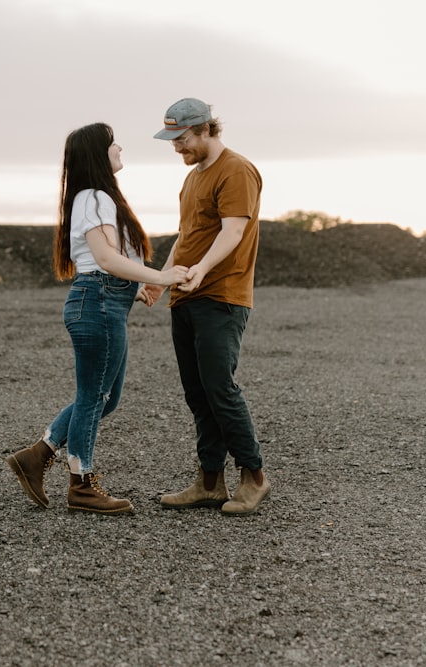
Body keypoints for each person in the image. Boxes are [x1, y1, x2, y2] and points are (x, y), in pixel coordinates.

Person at [5, 122, 184, 514]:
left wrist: (137, 286)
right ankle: (81, 485)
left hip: (105, 300)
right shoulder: (93, 197)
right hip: (98, 301)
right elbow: (103, 260)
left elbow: (108, 259)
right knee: (93, 397)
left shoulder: (97, 198)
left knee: (107, 397)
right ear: (96, 154)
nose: (119, 147)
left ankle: (38, 454)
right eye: (111, 142)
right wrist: (162, 276)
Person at [143, 98, 271, 516]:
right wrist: (161, 280)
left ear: (205, 130)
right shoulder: (193, 178)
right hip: (186, 295)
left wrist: (202, 269)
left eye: (181, 140)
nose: (177, 148)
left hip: (221, 295)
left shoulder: (236, 170)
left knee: (220, 387)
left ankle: (254, 477)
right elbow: (187, 236)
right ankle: (209, 482)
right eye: (173, 142)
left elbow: (233, 230)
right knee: (198, 394)